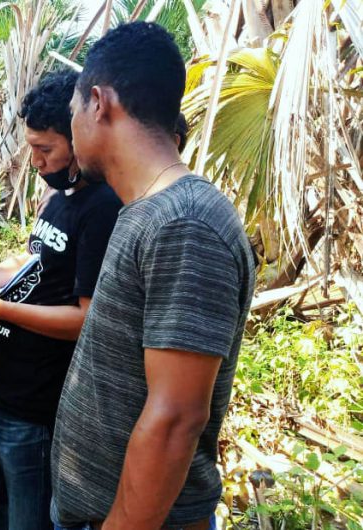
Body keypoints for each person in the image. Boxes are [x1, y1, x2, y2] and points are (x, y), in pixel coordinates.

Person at [50, 22, 256, 530]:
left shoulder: (184, 222)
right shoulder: (146, 212)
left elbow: (175, 420)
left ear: (99, 102)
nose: (72, 126)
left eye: (73, 110)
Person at [0, 69, 122, 530]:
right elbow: (33, 261)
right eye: (31, 148)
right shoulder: (60, 197)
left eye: (45, 150)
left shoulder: (103, 208)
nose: (35, 161)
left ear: (78, 137)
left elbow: (86, 318)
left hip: (38, 410)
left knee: (28, 520)